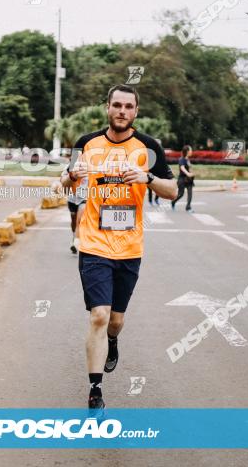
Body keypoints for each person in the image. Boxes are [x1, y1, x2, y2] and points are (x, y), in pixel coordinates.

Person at [60, 84, 177, 413]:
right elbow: (63, 182)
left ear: (135, 112)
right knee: (98, 315)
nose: (122, 111)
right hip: (95, 244)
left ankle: (113, 340)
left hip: (129, 248)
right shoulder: (86, 143)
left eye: (129, 106)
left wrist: (147, 178)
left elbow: (172, 190)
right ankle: (95, 391)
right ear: (107, 108)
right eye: (117, 105)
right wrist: (71, 175)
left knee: (115, 321)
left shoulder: (149, 147)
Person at [66, 174, 88, 253]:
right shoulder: (72, 166)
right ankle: (74, 236)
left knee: (79, 221)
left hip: (83, 199)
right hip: (72, 199)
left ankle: (75, 243)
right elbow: (65, 183)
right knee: (74, 221)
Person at [172, 145, 194, 212]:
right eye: (191, 150)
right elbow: (182, 167)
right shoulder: (181, 159)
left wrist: (192, 173)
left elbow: (189, 168)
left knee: (190, 193)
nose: (191, 151)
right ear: (187, 151)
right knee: (181, 194)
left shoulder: (188, 160)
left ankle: (188, 207)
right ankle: (173, 202)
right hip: (182, 179)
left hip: (189, 180)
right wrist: (188, 173)